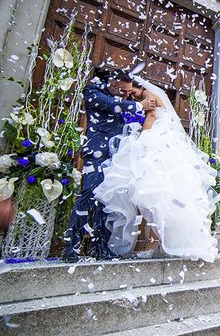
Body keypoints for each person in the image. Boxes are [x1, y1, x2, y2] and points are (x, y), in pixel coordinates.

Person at [93, 76, 219, 261]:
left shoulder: (148, 94)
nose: (133, 97)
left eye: (134, 92)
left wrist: (142, 137)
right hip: (167, 143)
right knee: (161, 195)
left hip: (156, 143)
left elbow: (151, 116)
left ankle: (153, 243)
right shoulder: (147, 97)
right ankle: (164, 243)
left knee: (152, 192)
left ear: (140, 86)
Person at [61, 68, 154, 262]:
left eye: (129, 93)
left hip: (115, 155)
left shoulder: (119, 97)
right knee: (88, 197)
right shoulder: (93, 91)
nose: (127, 95)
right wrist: (139, 106)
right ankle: (71, 247)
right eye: (123, 91)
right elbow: (112, 105)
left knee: (105, 202)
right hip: (97, 155)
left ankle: (101, 247)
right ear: (112, 83)